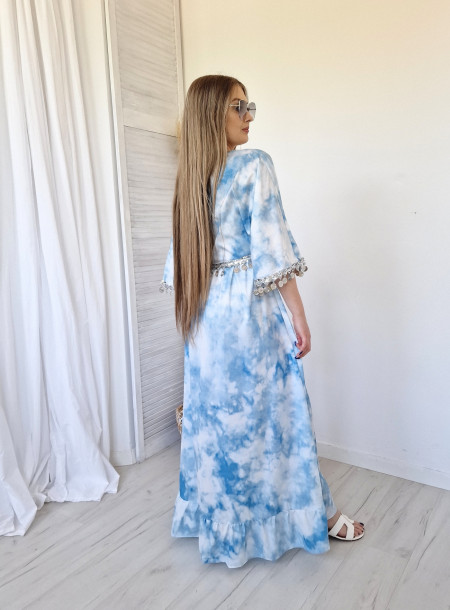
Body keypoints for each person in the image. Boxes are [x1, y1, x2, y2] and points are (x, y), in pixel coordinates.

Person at [160, 75, 364, 568]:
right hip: (249, 315)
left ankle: (223, 527)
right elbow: (273, 248)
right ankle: (314, 515)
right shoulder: (255, 165)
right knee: (280, 419)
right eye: (238, 106)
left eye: (249, 106)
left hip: (204, 321)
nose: (248, 115)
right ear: (212, 114)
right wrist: (299, 316)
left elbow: (179, 267)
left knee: (218, 426)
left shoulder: (189, 179)